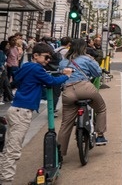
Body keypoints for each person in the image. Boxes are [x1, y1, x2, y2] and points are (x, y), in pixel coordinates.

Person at [0, 43, 72, 185]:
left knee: (8, 147)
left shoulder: (27, 67)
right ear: (35, 56)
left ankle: (3, 176)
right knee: (13, 150)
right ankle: (6, 181)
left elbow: (19, 81)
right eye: (45, 58)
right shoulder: (36, 69)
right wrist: (66, 76)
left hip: (15, 109)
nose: (47, 61)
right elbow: (51, 81)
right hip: (22, 112)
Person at [58, 38, 108, 158]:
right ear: (84, 48)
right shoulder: (86, 59)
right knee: (101, 109)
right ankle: (100, 135)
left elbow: (60, 75)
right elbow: (97, 73)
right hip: (85, 88)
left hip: (68, 91)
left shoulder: (63, 62)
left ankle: (58, 154)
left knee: (66, 124)